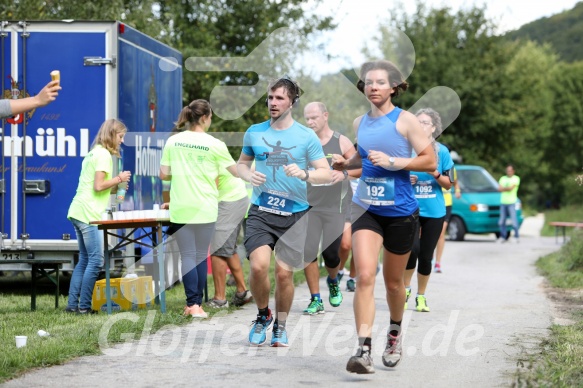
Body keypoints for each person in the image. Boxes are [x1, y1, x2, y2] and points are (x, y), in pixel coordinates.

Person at [332, 60, 436, 373]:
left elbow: (429, 161)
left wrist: (394, 160)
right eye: (368, 82)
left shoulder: (405, 121)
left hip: (401, 213)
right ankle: (363, 350)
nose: (373, 87)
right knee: (364, 275)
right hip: (367, 208)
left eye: (380, 82)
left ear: (393, 87)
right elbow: (364, 163)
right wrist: (344, 165)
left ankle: (394, 332)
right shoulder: (358, 123)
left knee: (393, 285)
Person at [237, 77, 331, 347]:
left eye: (279, 98)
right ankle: (262, 314)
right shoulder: (254, 132)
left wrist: (304, 174)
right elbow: (242, 164)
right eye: (270, 97)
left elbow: (325, 173)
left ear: (292, 101)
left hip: (295, 215)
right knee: (258, 267)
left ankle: (280, 325)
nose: (273, 103)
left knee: (284, 274)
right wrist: (248, 174)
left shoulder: (306, 136)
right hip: (261, 211)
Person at [159, 99, 238, 319]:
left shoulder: (174, 141)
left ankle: (192, 305)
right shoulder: (216, 144)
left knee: (188, 256)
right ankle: (197, 305)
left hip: (182, 207)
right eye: (211, 117)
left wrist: (185, 171)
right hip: (206, 207)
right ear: (204, 118)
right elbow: (234, 171)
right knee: (201, 255)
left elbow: (163, 174)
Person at [66, 119, 131, 314]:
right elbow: (98, 186)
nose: (122, 141)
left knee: (85, 259)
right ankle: (84, 307)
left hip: (78, 210)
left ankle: (72, 306)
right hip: (88, 213)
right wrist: (119, 178)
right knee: (95, 260)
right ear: (112, 135)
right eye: (120, 137)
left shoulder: (93, 153)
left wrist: (117, 188)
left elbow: (97, 188)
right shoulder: (103, 155)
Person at [302, 102, 358, 315]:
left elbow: (359, 168)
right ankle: (315, 299)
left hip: (337, 205)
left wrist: (344, 167)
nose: (310, 122)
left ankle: (333, 279)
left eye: (314, 117)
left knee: (332, 254)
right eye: (307, 118)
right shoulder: (305, 142)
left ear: (326, 115)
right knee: (308, 251)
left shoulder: (341, 141)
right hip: (310, 205)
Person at [404, 108, 453, 314]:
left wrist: (433, 172)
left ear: (434, 128)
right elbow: (393, 175)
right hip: (410, 208)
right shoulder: (406, 149)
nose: (420, 125)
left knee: (425, 256)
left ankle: (421, 296)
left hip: (434, 210)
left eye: (425, 122)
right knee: (411, 251)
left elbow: (449, 184)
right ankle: (405, 291)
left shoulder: (441, 151)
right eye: (418, 122)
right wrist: (407, 179)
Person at [207, 168, 253, 309]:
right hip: (234, 200)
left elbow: (211, 187)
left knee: (219, 250)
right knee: (228, 249)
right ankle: (242, 292)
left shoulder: (208, 156)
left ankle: (219, 300)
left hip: (229, 202)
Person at [434, 145, 461, 273]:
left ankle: (437, 262)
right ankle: (426, 258)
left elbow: (454, 181)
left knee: (440, 233)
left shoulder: (451, 167)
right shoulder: (434, 163)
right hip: (433, 201)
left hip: (446, 203)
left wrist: (458, 190)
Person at [498, 164, 521, 243]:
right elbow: (499, 189)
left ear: (513, 171)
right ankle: (503, 236)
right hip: (503, 202)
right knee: (502, 221)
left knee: (514, 221)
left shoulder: (516, 178)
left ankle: (516, 236)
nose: (509, 172)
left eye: (510, 171)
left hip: (512, 202)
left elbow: (511, 188)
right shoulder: (502, 178)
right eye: (507, 170)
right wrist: (506, 189)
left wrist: (504, 188)